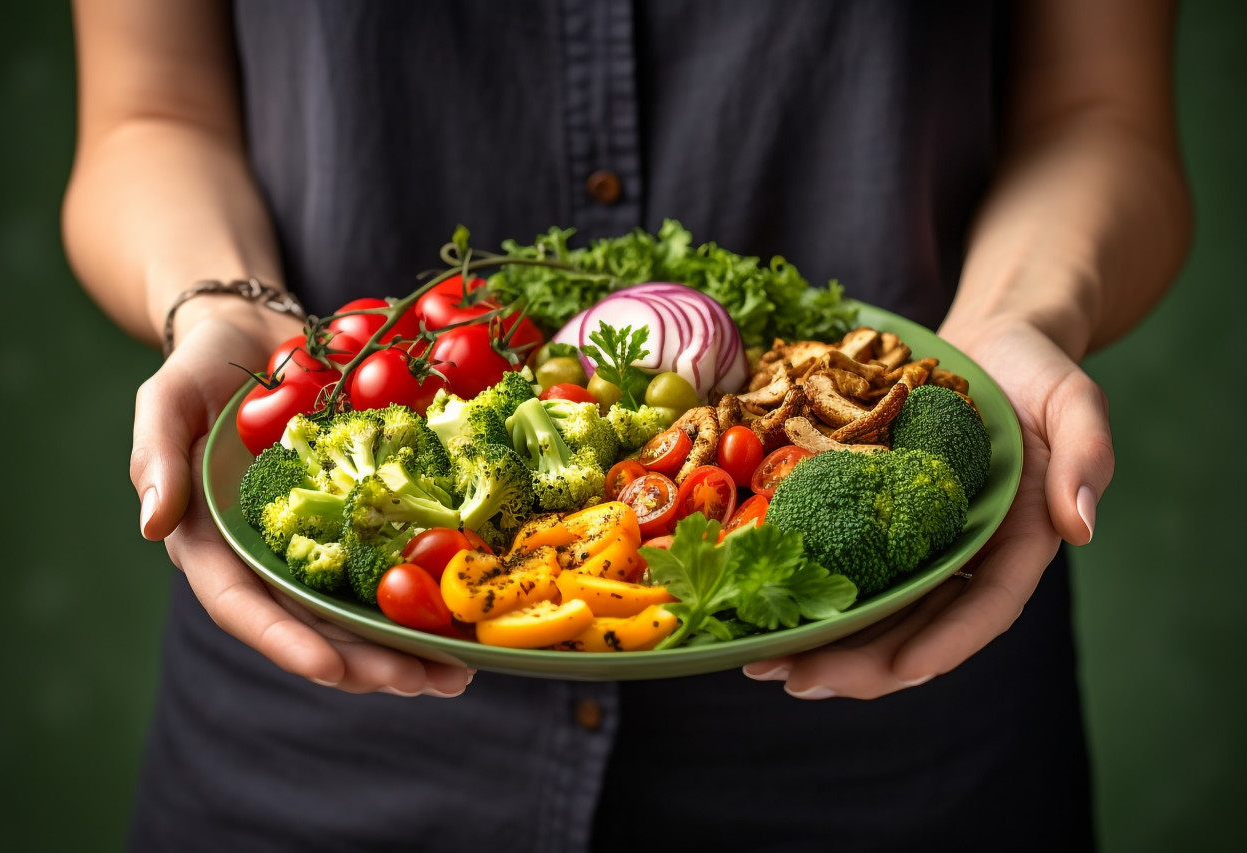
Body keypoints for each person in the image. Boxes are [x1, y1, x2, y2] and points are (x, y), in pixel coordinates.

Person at [63, 1, 1190, 850]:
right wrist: (220, 308)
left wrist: (1017, 316)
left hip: (900, 734)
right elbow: (148, 117)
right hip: (308, 753)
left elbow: (1099, 118)